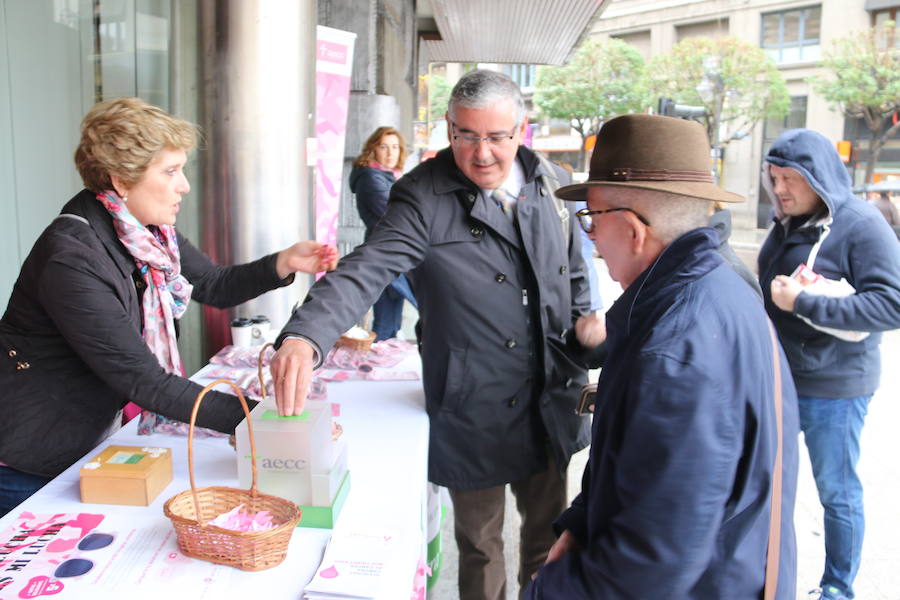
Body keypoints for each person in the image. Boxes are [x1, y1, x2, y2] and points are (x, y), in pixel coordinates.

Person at [271, 69, 597, 600]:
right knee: (481, 544)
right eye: (466, 135)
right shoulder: (422, 195)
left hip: (548, 398)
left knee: (547, 542)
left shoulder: (552, 183)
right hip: (474, 406)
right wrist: (307, 335)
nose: (482, 153)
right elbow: (366, 268)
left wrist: (595, 335)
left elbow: (576, 280)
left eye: (496, 137)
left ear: (522, 129)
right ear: (448, 128)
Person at [0, 97, 337, 517]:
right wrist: (268, 420)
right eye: (170, 171)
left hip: (93, 438)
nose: (185, 186)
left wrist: (283, 262)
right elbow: (146, 383)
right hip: (32, 458)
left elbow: (212, 283)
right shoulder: (72, 259)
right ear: (121, 180)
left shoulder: (147, 233)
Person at [525, 114, 800, 599]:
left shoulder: (678, 346)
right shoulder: (709, 287)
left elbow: (647, 564)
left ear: (632, 230)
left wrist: (546, 591)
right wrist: (580, 523)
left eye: (591, 219)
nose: (590, 237)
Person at [758, 129, 900, 600]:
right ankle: (764, 573)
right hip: (781, 377)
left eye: (790, 178)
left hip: (837, 386)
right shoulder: (789, 220)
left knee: (836, 492)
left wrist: (804, 303)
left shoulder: (859, 223)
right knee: (766, 481)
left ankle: (838, 588)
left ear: (818, 176)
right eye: (774, 177)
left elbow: (891, 305)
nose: (780, 189)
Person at [349, 126, 417, 340]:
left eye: (395, 147)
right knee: (427, 307)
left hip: (393, 252)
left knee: (389, 320)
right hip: (387, 254)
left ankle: (381, 359)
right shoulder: (371, 178)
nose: (391, 153)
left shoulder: (388, 176)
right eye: (384, 147)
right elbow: (395, 218)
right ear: (373, 150)